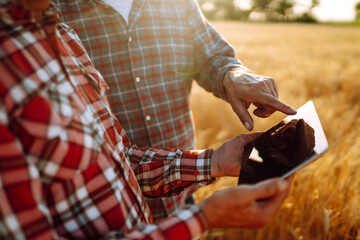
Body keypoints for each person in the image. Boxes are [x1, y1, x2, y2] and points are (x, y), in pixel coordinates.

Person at [0, 0, 293, 239]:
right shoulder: (54, 17)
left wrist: (213, 160)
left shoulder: (58, 30)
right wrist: (205, 218)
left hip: (180, 195)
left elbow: (116, 156)